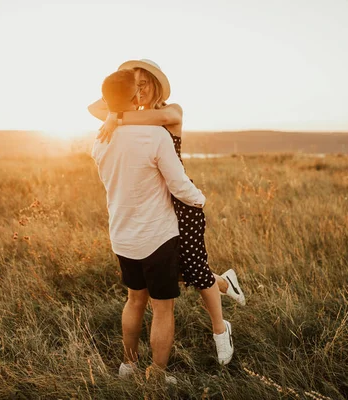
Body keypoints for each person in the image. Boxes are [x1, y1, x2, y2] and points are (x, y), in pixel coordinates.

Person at [88, 59, 245, 366]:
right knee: (179, 271)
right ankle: (226, 284)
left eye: (145, 83)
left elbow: (105, 112)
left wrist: (115, 117)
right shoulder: (130, 118)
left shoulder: (170, 112)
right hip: (157, 199)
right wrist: (117, 111)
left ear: (156, 86)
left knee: (196, 271)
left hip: (180, 200)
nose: (141, 89)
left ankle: (219, 329)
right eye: (136, 85)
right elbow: (96, 107)